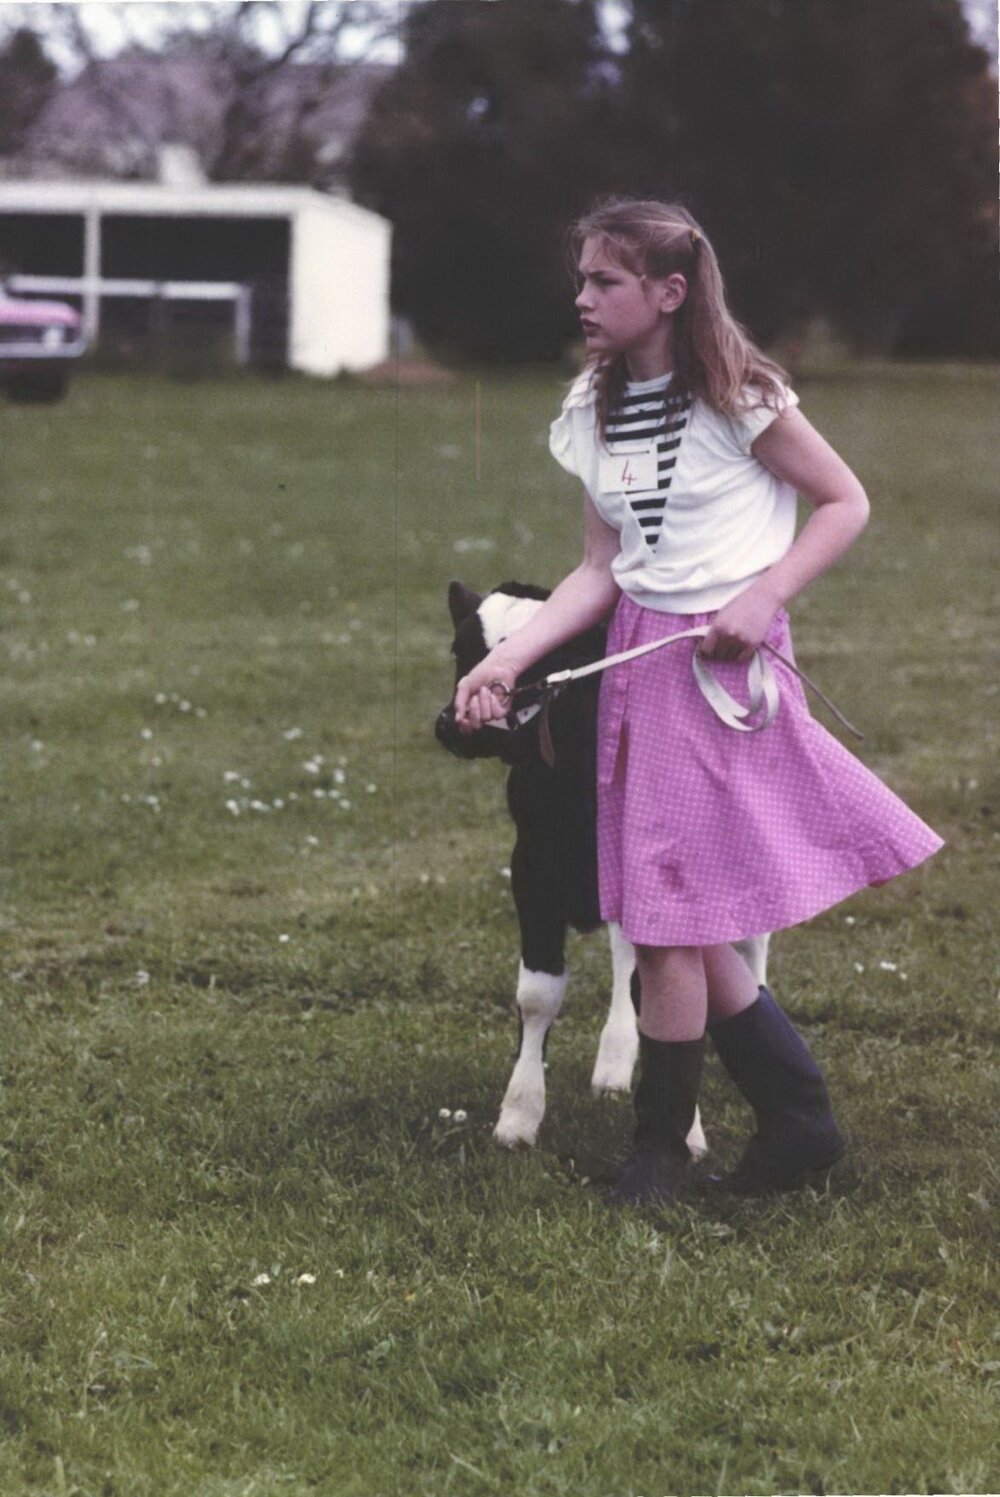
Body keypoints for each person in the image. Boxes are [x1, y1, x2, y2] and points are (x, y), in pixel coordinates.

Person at [453, 197, 943, 1207]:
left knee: (669, 917)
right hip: (637, 656)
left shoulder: (741, 395)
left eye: (605, 281)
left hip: (719, 671)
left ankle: (659, 1153)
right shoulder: (591, 408)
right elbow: (601, 569)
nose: (582, 298)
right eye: (582, 279)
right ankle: (798, 1118)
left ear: (668, 292)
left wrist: (763, 597)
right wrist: (512, 662)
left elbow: (844, 501)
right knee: (673, 900)